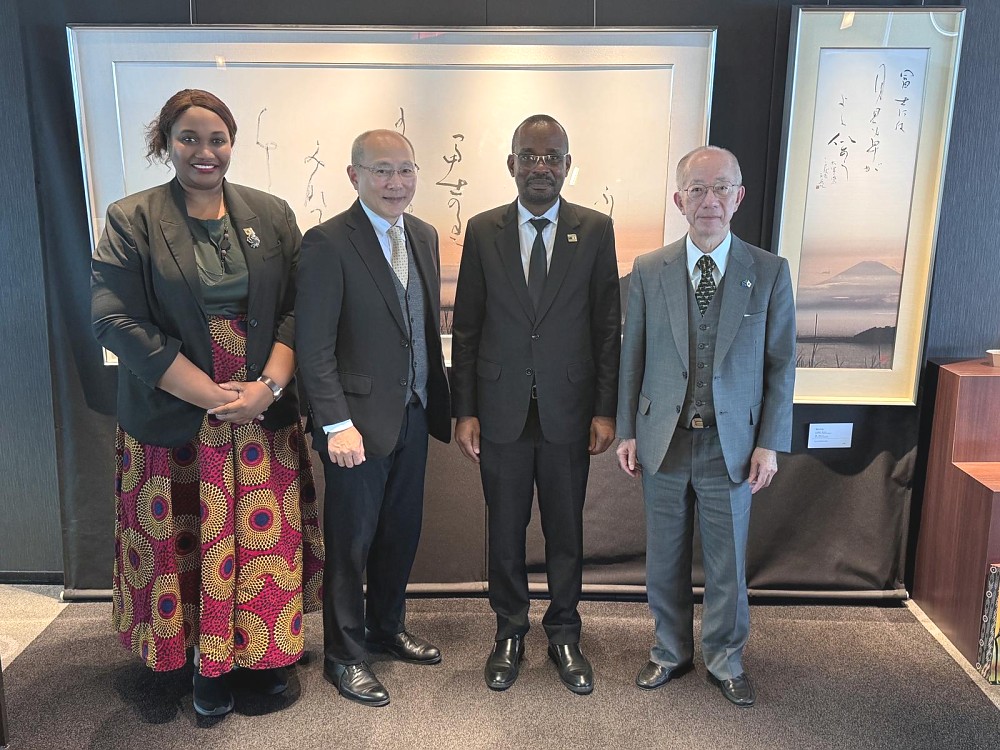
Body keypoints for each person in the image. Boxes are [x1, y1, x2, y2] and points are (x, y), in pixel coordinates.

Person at [91, 89, 324, 718]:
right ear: (166, 144)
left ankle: (261, 653)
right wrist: (211, 396)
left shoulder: (270, 213)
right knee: (188, 535)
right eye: (189, 138)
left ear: (232, 143)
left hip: (261, 407)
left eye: (216, 139)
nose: (205, 151)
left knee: (260, 537)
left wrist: (267, 388)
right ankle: (202, 659)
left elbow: (299, 308)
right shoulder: (132, 218)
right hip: (176, 407)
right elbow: (114, 320)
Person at [615, 146, 795, 707]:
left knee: (727, 562)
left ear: (739, 197)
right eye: (697, 189)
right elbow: (631, 356)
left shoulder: (769, 271)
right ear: (679, 199)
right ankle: (669, 651)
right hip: (663, 441)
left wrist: (769, 442)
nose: (709, 200)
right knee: (664, 557)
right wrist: (626, 430)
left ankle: (725, 658)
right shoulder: (650, 269)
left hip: (732, 445)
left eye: (721, 188)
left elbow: (781, 365)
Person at [451, 114, 621, 695]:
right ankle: (509, 631)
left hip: (569, 411)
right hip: (499, 410)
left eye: (552, 157)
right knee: (504, 528)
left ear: (568, 165)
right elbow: (467, 327)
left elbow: (606, 327)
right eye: (529, 156)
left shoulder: (594, 230)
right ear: (512, 164)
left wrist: (604, 409)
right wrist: (465, 410)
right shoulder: (483, 230)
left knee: (565, 528)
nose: (540, 166)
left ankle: (565, 631)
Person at [295, 129, 451, 708]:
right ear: (354, 175)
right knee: (351, 543)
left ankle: (387, 627)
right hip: (355, 425)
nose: (395, 182)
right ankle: (344, 654)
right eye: (382, 170)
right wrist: (335, 423)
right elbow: (314, 347)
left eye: (405, 169)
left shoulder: (424, 235)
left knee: (400, 534)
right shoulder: (327, 242)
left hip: (413, 413)